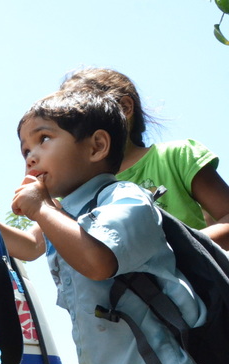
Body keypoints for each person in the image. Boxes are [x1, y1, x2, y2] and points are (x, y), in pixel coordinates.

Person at [7, 89, 229, 364]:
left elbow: (98, 262)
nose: (31, 157)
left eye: (43, 139)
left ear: (97, 146)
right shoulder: (64, 224)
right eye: (24, 149)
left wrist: (41, 209)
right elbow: (95, 321)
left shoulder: (123, 199)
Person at [60, 67, 229, 248]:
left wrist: (177, 252)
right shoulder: (75, 190)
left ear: (125, 107)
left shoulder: (175, 156)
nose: (74, 131)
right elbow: (33, 246)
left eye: (81, 115)